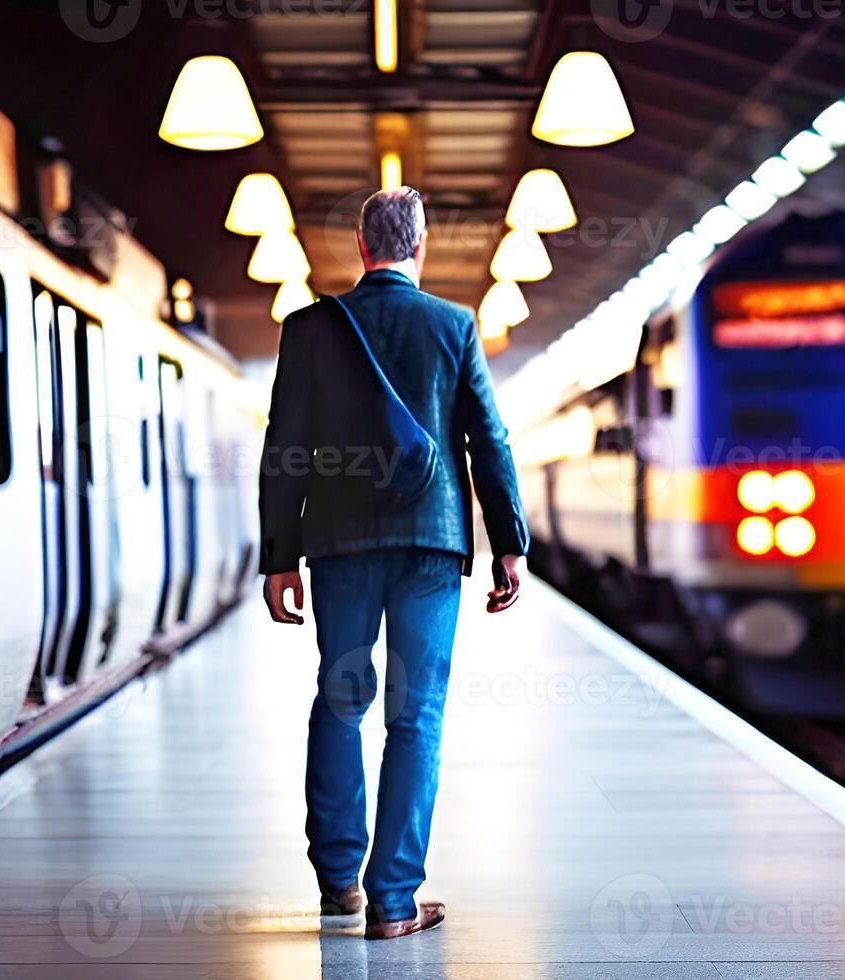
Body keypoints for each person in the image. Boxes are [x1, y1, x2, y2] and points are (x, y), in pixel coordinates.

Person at [258, 186, 529, 940]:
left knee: (341, 699)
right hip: (430, 545)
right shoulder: (452, 325)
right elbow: (488, 438)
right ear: (421, 246)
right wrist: (509, 541)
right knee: (417, 718)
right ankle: (395, 899)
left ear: (359, 242)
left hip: (338, 547)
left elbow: (286, 448)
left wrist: (279, 557)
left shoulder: (309, 329)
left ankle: (339, 880)